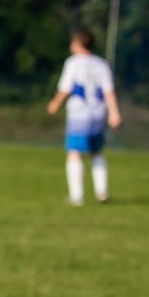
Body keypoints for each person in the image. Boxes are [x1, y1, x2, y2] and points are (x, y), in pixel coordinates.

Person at [47, 28, 121, 206]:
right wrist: (114, 112)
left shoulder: (73, 63)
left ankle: (77, 195)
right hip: (98, 113)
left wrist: (55, 103)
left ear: (78, 44)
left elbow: (66, 88)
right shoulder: (101, 64)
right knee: (96, 152)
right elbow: (108, 91)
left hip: (79, 114)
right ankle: (102, 190)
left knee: (74, 153)